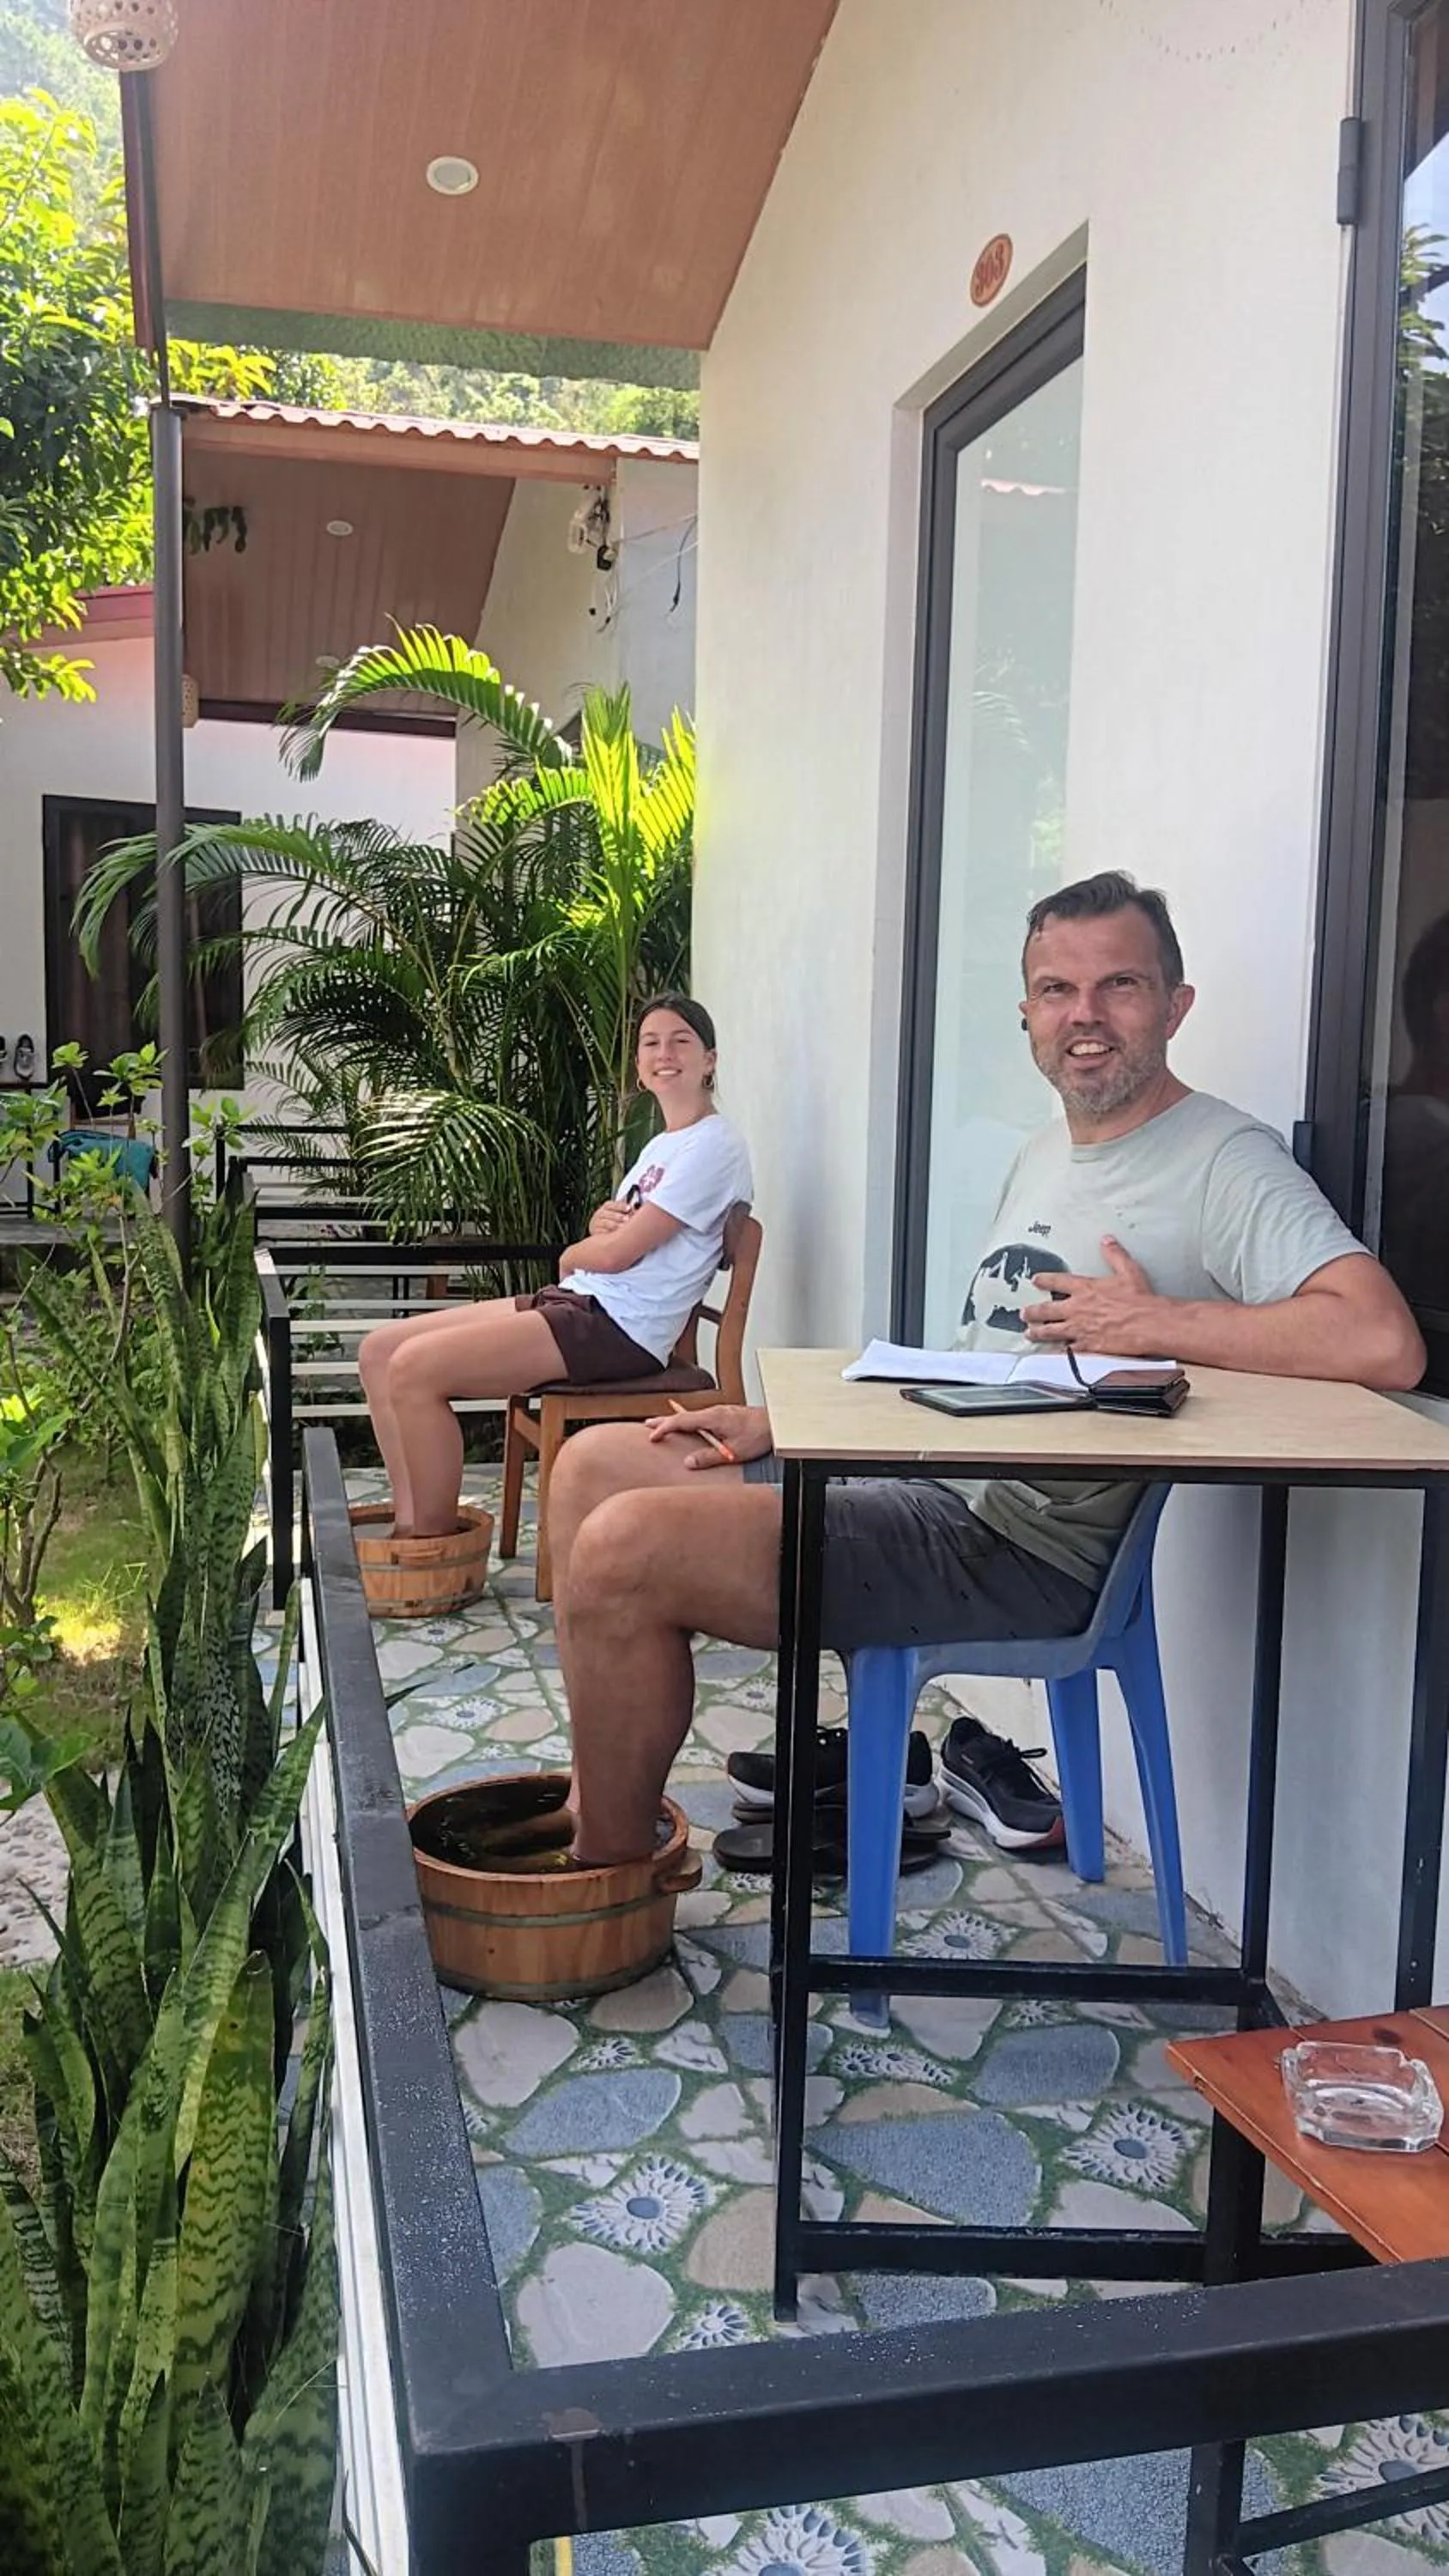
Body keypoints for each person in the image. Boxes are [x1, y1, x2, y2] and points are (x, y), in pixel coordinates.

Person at [547, 872, 1424, 1868]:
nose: (1082, 1016)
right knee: (593, 1469)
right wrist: (795, 1425)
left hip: (1015, 1552)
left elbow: (1380, 1340)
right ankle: (595, 1798)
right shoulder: (1046, 1151)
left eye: (1118, 987)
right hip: (932, 1482)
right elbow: (988, 1371)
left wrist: (1157, 1322)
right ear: (1025, 1014)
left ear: (1174, 1006)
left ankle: (604, 1880)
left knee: (625, 1548)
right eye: (1056, 991)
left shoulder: (1224, 1160)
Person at [357, 994, 751, 1539]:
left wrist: (573, 1252)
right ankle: (411, 1534)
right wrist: (595, 1234)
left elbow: (614, 1255)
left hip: (619, 1328)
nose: (665, 1053)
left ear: (709, 1059)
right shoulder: (662, 1146)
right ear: (638, 1065)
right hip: (582, 1305)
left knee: (415, 1370)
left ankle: (429, 1542)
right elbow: (615, 1238)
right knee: (379, 1351)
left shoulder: (715, 1146)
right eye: (650, 1043)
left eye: (681, 1041)